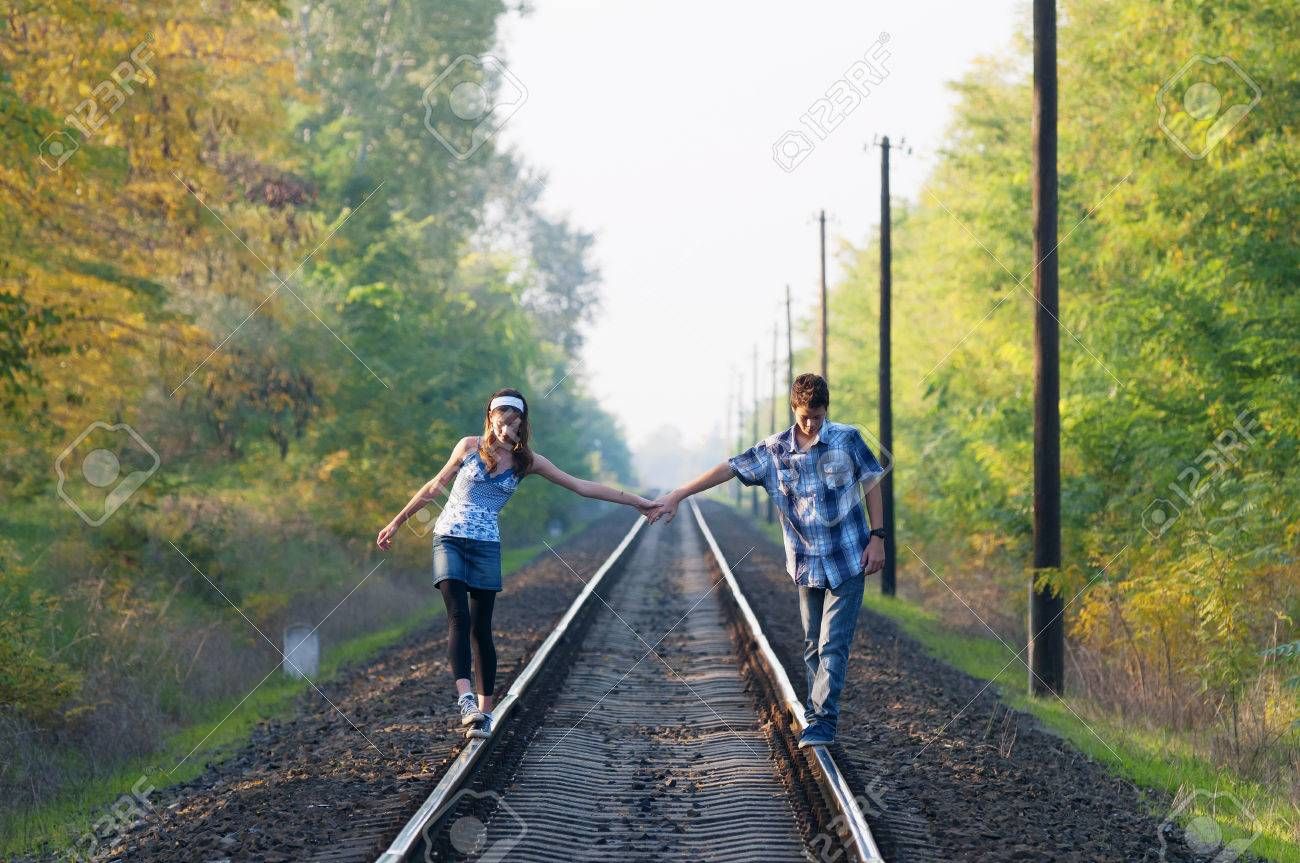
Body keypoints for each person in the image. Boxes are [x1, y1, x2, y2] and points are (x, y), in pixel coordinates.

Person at [377, 388, 658, 740]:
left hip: (487, 546)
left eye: (513, 421)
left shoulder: (528, 462)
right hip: (449, 537)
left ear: (521, 424)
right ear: (490, 418)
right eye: (500, 419)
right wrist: (397, 522)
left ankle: (485, 712)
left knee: (482, 627)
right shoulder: (468, 447)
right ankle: (465, 700)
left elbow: (580, 486)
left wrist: (637, 502)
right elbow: (434, 487)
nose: (505, 427)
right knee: (457, 617)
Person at [647, 373, 886, 748]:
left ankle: (823, 721)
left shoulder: (847, 439)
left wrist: (878, 537)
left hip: (849, 556)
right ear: (794, 409)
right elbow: (729, 468)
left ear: (827, 410)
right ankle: (815, 713)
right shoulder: (774, 451)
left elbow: (872, 480)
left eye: (818, 416)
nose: (812, 424)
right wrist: (680, 493)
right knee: (811, 645)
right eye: (806, 416)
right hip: (807, 562)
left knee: (832, 644)